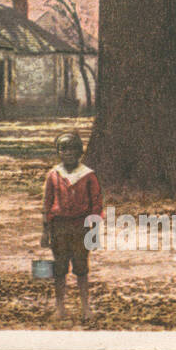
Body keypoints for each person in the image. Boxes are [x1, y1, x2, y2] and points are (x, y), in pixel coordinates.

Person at [40, 132, 103, 324]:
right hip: (59, 227)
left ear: (79, 151)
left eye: (72, 149)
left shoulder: (88, 175)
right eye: (63, 149)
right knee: (59, 269)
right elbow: (47, 203)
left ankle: (85, 307)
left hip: (80, 226)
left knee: (81, 268)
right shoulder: (53, 175)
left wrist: (93, 232)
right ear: (58, 152)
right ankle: (60, 307)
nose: (68, 153)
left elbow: (96, 205)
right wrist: (45, 231)